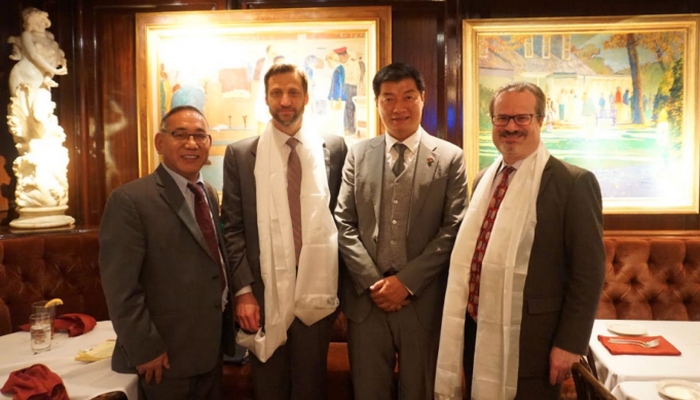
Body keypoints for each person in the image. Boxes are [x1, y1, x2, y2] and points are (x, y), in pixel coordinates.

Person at [434, 82, 605, 400]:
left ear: (540, 120)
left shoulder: (573, 184)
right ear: (492, 123)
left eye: (522, 118)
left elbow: (588, 273)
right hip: (476, 330)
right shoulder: (484, 178)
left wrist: (570, 343)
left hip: (534, 340)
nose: (511, 127)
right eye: (502, 119)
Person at [335, 62, 468, 400]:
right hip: (367, 300)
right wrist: (373, 282)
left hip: (422, 302)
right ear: (377, 103)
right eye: (388, 98)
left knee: (419, 392)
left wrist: (405, 283)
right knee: (367, 392)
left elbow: (453, 229)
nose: (398, 107)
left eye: (408, 97)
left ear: (423, 99)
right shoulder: (358, 154)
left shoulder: (450, 158)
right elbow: (344, 221)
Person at [221, 63, 347, 400]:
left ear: (306, 96)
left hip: (316, 288)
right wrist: (242, 292)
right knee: (269, 388)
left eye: (293, 92)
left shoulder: (333, 148)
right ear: (266, 99)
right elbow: (231, 228)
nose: (285, 100)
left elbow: (343, 221)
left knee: (310, 387)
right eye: (277, 92)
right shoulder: (240, 154)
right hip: (262, 293)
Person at [99, 105, 235, 399]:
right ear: (160, 142)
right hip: (164, 357)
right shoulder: (130, 200)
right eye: (180, 135)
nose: (191, 143)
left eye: (200, 136)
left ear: (209, 144)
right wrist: (145, 348)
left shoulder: (207, 192)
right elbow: (121, 288)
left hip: (209, 350)